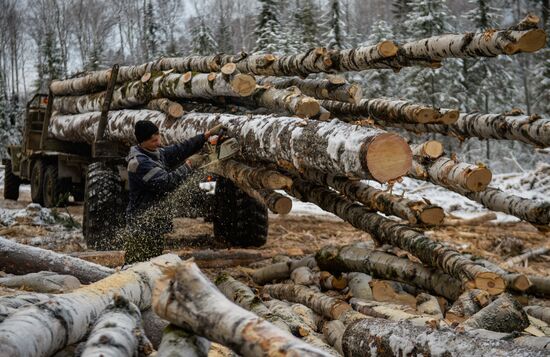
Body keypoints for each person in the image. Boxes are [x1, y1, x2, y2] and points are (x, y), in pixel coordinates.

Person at [124, 120, 223, 263]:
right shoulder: (139, 163)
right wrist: (188, 165)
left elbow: (180, 149)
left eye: (158, 138)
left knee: (152, 262)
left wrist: (205, 136)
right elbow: (166, 183)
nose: (158, 143)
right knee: (137, 264)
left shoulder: (155, 153)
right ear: (142, 142)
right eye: (153, 141)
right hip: (142, 223)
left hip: (154, 222)